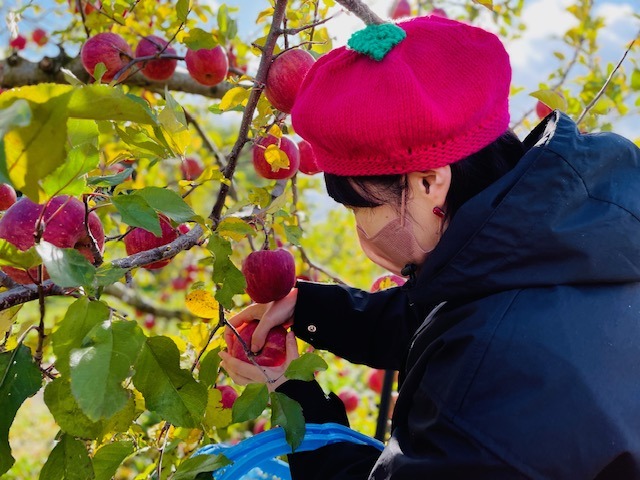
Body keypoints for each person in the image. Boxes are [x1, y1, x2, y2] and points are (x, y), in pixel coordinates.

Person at [219, 14, 640, 480]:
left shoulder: (486, 379)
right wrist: (313, 309)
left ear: (428, 183)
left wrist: (298, 399)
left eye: (361, 208)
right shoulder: (583, 227)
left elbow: (476, 346)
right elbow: (456, 310)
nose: (360, 228)